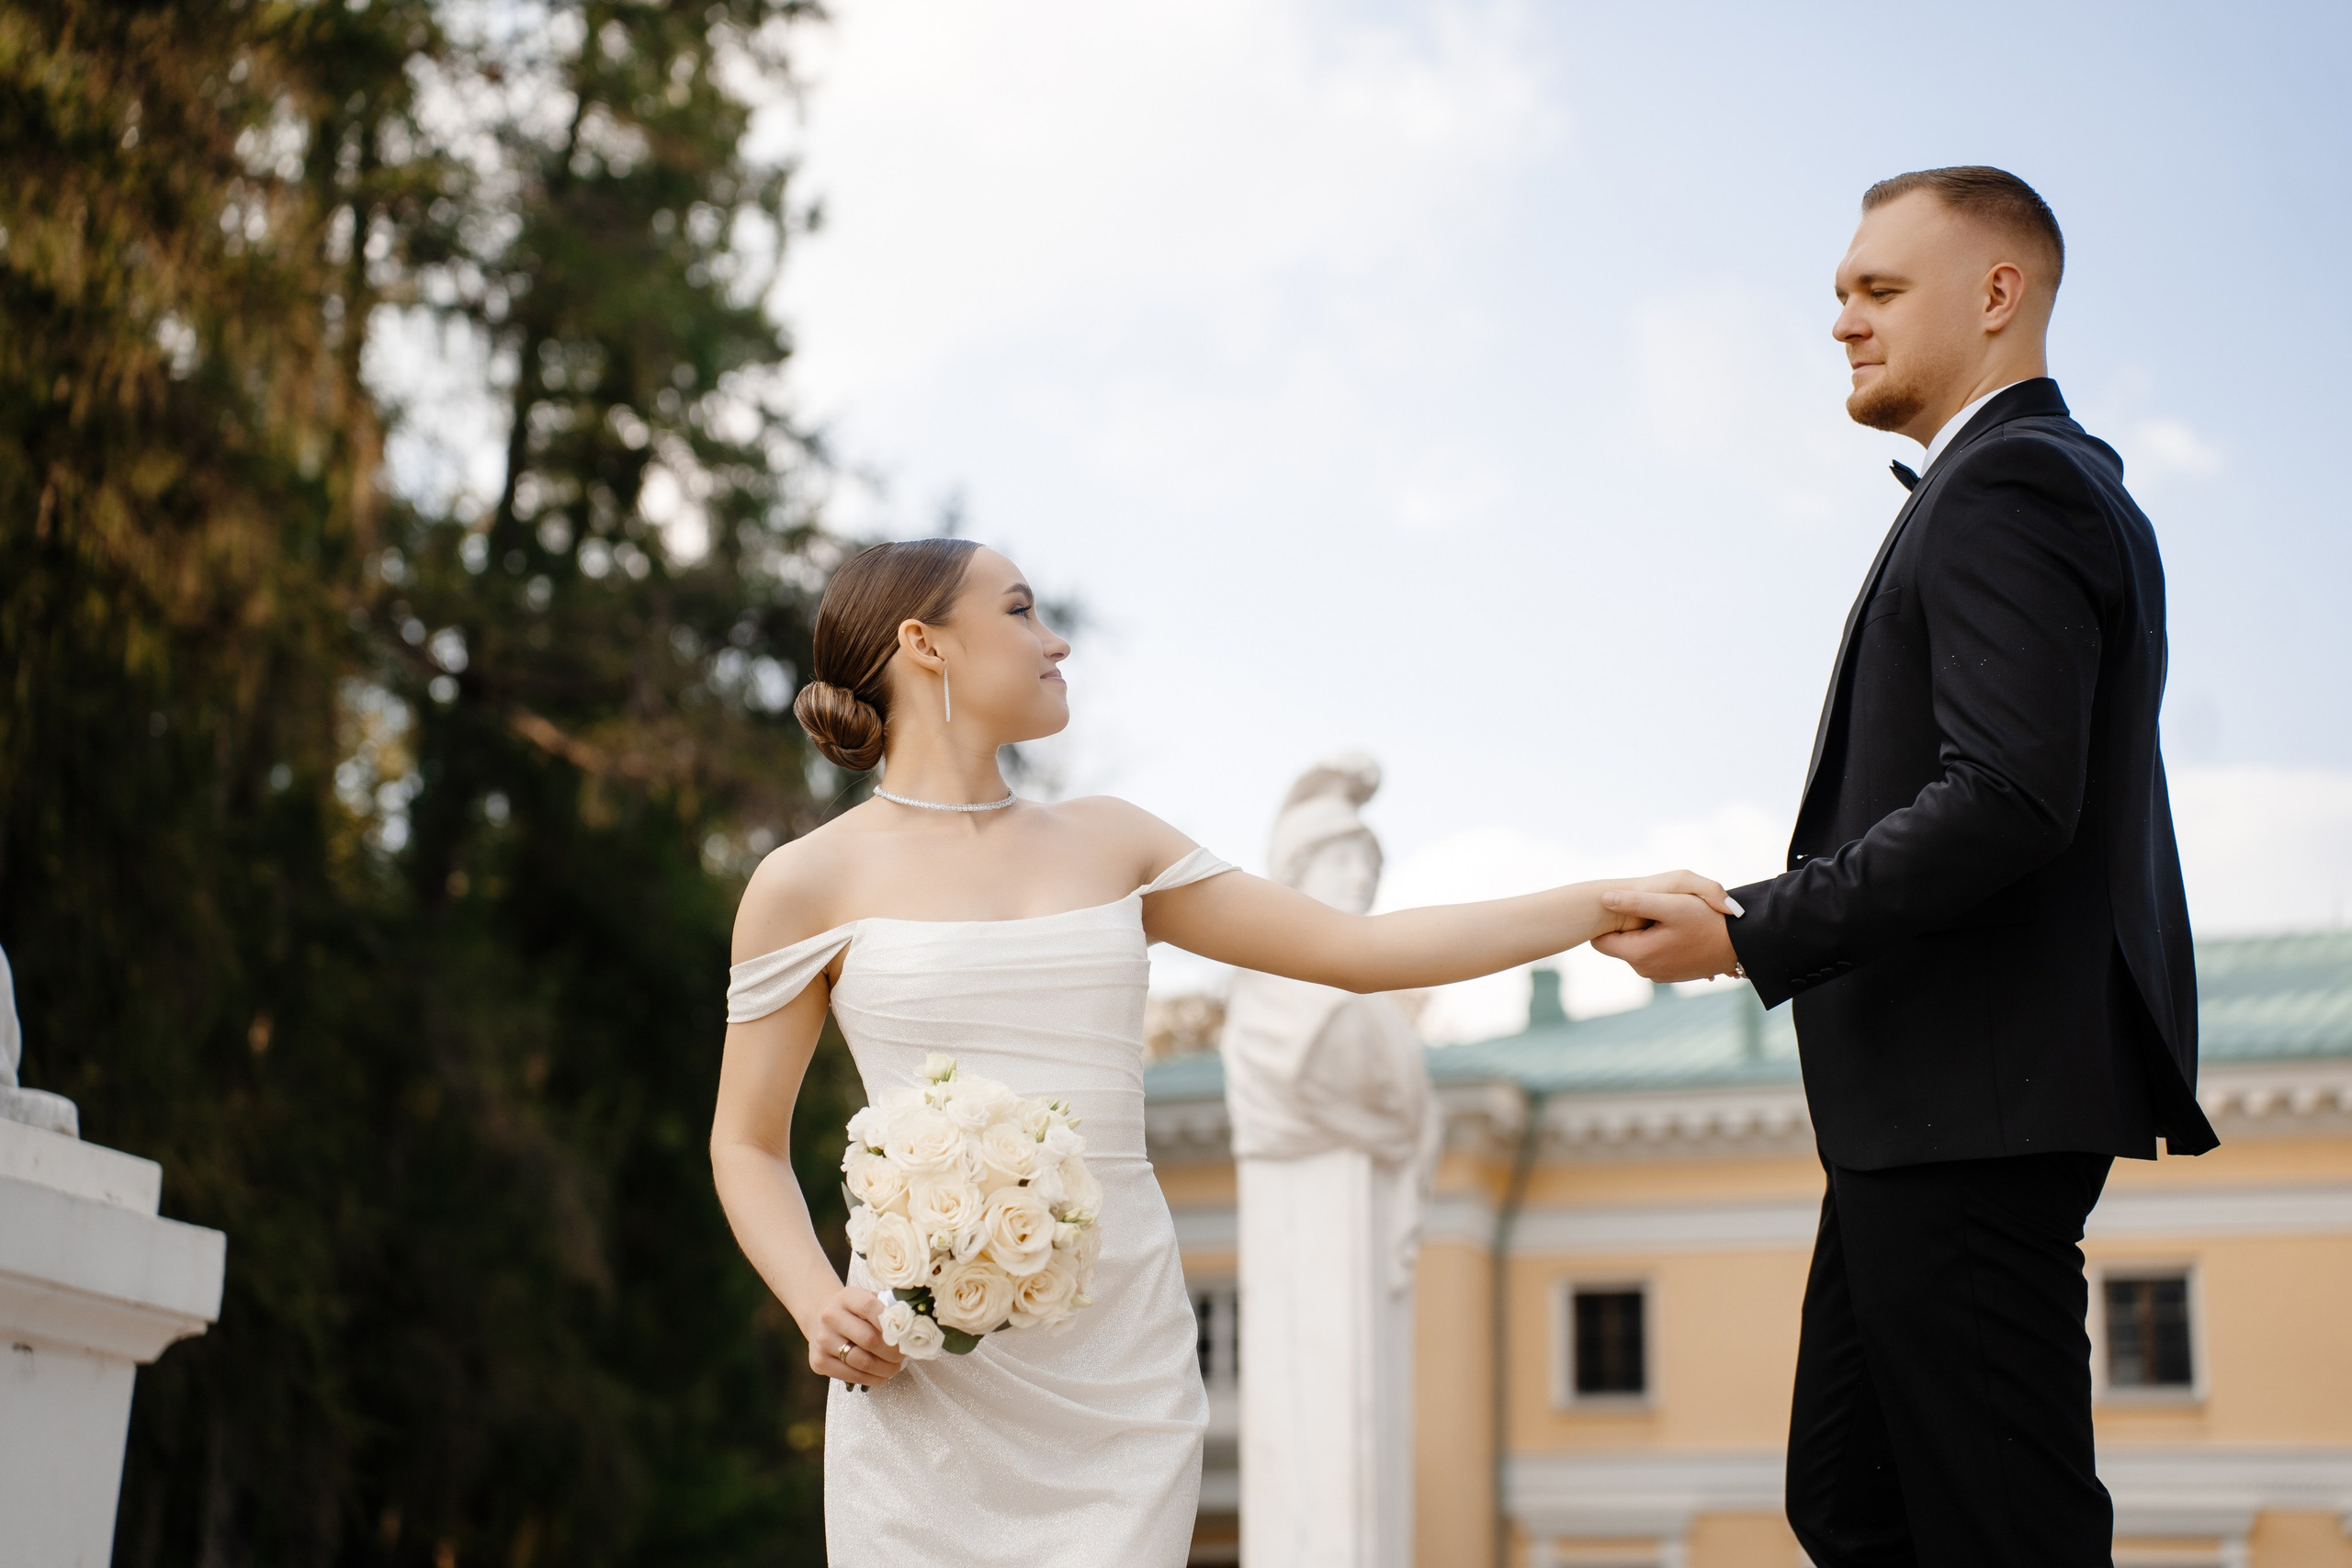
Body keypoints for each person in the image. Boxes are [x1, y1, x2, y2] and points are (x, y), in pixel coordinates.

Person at [708, 538, 1730, 1567]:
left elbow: (1360, 952)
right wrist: (814, 1300)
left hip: (1120, 1366)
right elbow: (747, 1144)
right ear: (923, 644)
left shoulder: (1117, 841)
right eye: (1020, 611)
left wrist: (1599, 901)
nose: (1054, 640)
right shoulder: (804, 884)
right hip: (926, 1375)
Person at [1595, 166, 2215, 1566]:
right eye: (1841, 295)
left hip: (1971, 1105)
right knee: (1858, 1500)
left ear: (1998, 296)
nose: (1843, 323)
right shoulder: (2026, 486)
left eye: (1877, 290)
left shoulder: (2013, 487)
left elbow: (2003, 797)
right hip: (1936, 1107)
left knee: (2003, 1526)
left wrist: (1750, 930)